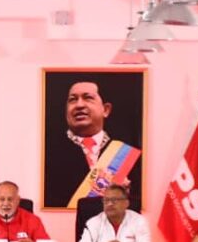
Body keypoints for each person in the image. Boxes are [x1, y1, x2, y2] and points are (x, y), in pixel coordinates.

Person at [43, 79, 142, 209]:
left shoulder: (125, 153)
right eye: (72, 100)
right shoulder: (49, 150)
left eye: (88, 98)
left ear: (105, 110)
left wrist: (124, 194)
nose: (79, 105)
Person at [77, 184, 151, 242]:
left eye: (115, 200)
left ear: (126, 203)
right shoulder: (94, 222)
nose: (109, 204)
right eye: (106, 200)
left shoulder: (138, 221)